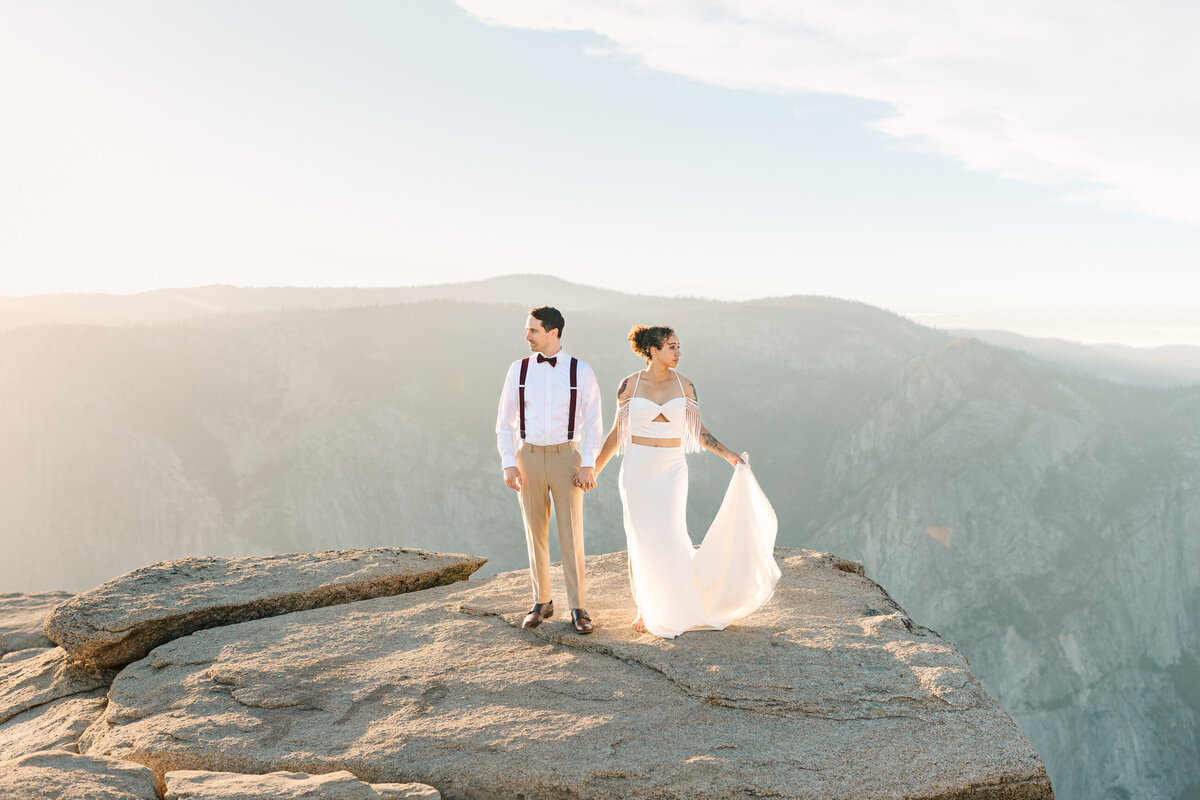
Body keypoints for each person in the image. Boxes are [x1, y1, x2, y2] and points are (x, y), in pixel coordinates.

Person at [594, 325, 780, 638]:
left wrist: (728, 455)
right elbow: (616, 433)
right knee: (639, 535)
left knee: (670, 533)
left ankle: (674, 601)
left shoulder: (685, 386)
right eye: (672, 347)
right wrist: (593, 469)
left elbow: (699, 432)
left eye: (679, 347)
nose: (679, 353)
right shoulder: (629, 384)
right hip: (637, 467)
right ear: (653, 350)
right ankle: (645, 606)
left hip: (671, 469)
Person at [496, 307, 603, 634]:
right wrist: (508, 461)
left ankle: (578, 607)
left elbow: (595, 422)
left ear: (553, 332)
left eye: (533, 330)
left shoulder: (580, 371)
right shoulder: (518, 370)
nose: (527, 336)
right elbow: (504, 421)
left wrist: (588, 463)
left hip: (566, 457)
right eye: (527, 330)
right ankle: (542, 601)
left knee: (571, 533)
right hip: (527, 456)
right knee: (535, 531)